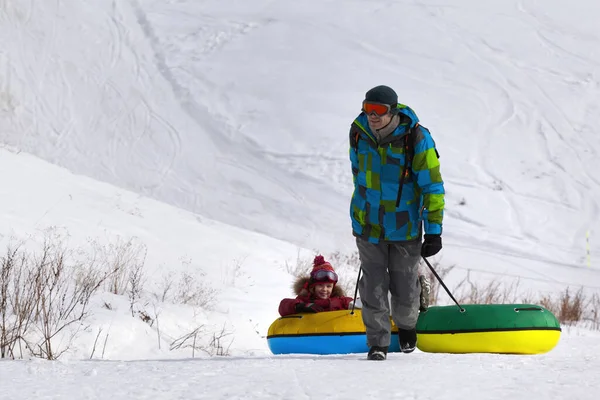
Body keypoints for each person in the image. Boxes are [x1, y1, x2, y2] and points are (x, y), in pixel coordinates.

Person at [349, 85, 445, 360]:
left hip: (405, 227)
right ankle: (378, 343)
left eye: (379, 111)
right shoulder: (358, 132)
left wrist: (434, 231)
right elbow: (357, 173)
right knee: (373, 285)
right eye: (368, 109)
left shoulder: (416, 137)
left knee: (404, 286)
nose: (373, 116)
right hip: (368, 225)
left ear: (392, 111)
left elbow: (433, 186)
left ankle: (406, 327)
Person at [278, 255, 353, 317]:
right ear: (313, 287)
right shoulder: (305, 299)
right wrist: (300, 306)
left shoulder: (340, 301)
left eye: (329, 286)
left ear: (333, 287)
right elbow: (283, 306)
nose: (324, 289)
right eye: (320, 285)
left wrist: (360, 303)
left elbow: (352, 302)